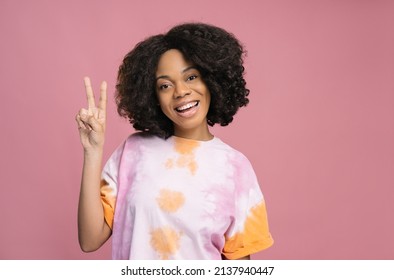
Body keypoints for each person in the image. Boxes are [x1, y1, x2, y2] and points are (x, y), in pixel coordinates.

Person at [75, 22, 274, 260]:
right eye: (165, 85)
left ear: (211, 81)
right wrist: (93, 152)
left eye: (191, 77)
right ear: (153, 96)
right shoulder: (133, 151)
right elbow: (89, 239)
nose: (181, 91)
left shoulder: (236, 168)